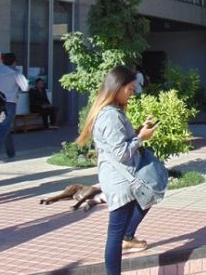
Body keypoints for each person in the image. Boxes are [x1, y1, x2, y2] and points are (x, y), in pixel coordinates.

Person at [76, 66, 159, 275]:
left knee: (147, 199)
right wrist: (141, 138)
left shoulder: (111, 112)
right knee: (115, 234)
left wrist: (140, 130)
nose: (132, 94)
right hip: (120, 181)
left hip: (122, 177)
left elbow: (119, 143)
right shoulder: (110, 116)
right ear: (118, 87)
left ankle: (128, 237)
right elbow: (122, 152)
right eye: (130, 89)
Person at [0, 52, 28, 163]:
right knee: (3, 128)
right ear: (14, 62)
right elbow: (25, 87)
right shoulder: (15, 73)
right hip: (9, 103)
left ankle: (11, 152)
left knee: (4, 127)